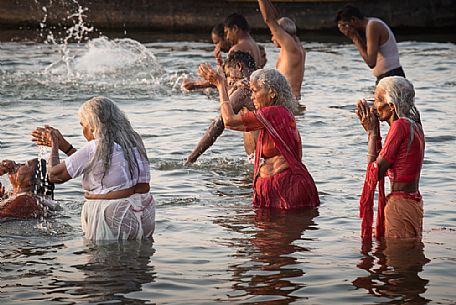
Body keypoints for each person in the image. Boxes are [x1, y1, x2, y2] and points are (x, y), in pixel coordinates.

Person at [32, 96, 155, 241]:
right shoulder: (134, 140)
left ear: (93, 125)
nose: (83, 130)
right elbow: (93, 164)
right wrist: (65, 146)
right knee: (139, 261)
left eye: (82, 124)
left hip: (113, 215)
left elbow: (54, 176)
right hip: (145, 211)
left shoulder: (95, 146)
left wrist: (54, 145)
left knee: (103, 262)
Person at [198, 65, 320, 209]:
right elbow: (232, 123)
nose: (252, 96)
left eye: (255, 91)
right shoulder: (273, 117)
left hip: (288, 188)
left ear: (272, 93)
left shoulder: (275, 113)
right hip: (275, 190)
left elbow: (229, 121)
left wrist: (220, 85)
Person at [356, 76, 424, 239]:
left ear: (392, 106)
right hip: (412, 201)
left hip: (400, 205)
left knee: (399, 259)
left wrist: (372, 134)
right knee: (408, 259)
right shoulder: (415, 125)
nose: (373, 108)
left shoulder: (400, 126)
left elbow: (375, 172)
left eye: (378, 100)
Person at [185, 51, 257, 165]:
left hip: (265, 164)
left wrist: (191, 159)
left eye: (228, 75)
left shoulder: (245, 89)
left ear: (239, 67)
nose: (229, 81)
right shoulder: (259, 84)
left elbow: (219, 124)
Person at [336, 5, 405, 84]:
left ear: (353, 19)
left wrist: (354, 38)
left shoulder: (372, 26)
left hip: (390, 76)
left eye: (345, 25)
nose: (344, 30)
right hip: (389, 76)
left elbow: (371, 62)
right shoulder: (372, 23)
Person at [258, 0, 306, 102]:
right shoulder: (296, 46)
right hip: (290, 100)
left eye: (273, 35)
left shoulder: (292, 48)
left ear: (284, 35)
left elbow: (269, 20)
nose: (272, 38)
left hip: (289, 101)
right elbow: (274, 17)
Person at [182, 24, 232, 91]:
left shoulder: (235, 52)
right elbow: (225, 76)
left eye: (217, 42)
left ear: (225, 37)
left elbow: (226, 82)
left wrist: (195, 85)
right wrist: (219, 61)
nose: (216, 47)